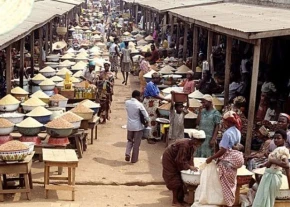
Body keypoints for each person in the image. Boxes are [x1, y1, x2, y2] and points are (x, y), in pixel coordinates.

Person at [206, 111, 244, 207]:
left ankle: (228, 204)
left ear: (228, 122)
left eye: (224, 122)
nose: (223, 123)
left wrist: (212, 157)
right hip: (235, 161)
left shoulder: (227, 133)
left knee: (226, 186)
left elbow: (223, 150)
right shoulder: (238, 131)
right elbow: (237, 146)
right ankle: (229, 203)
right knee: (231, 185)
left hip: (228, 162)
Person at [162, 130, 205, 206]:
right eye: (199, 143)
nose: (199, 145)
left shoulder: (191, 145)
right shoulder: (184, 145)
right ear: (195, 140)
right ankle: (175, 201)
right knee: (175, 180)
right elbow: (180, 160)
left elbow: (190, 158)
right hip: (169, 159)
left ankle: (180, 200)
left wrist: (192, 167)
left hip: (176, 158)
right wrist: (189, 167)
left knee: (180, 178)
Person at [252, 130, 290, 207]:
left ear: (284, 139)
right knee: (265, 198)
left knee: (267, 198)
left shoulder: (283, 150)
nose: (276, 140)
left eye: (278, 138)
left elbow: (286, 165)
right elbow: (270, 164)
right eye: (274, 138)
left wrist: (272, 160)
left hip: (273, 176)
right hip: (270, 175)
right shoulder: (277, 149)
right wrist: (264, 164)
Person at [143, 72, 170, 144]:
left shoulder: (154, 85)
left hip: (153, 103)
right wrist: (165, 99)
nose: (159, 80)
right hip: (150, 103)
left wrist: (164, 98)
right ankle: (150, 137)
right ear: (154, 78)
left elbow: (158, 93)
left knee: (154, 120)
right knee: (151, 120)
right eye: (158, 78)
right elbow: (155, 95)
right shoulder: (150, 85)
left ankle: (153, 136)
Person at [125, 90, 149, 163]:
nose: (140, 98)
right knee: (136, 143)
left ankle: (127, 153)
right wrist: (147, 122)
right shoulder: (139, 104)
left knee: (129, 140)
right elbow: (146, 115)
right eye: (139, 96)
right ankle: (134, 159)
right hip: (138, 126)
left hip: (129, 125)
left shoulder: (127, 102)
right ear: (136, 96)